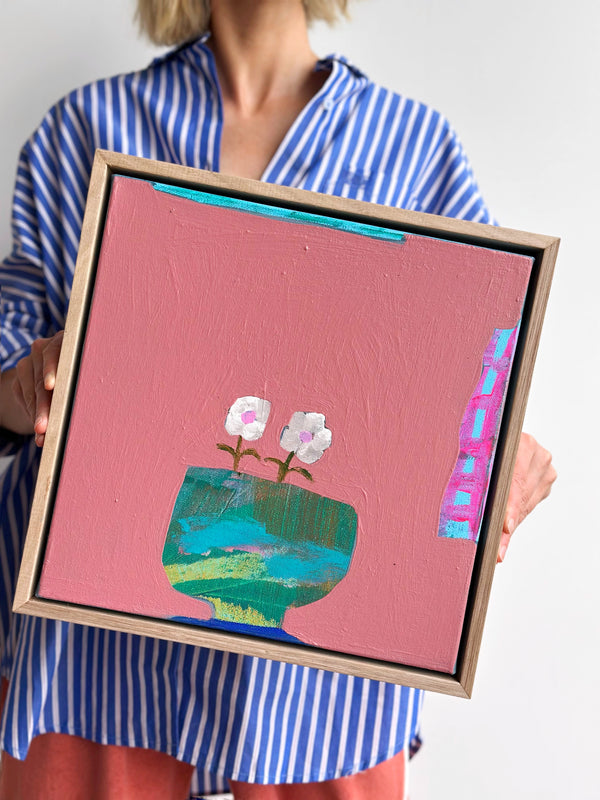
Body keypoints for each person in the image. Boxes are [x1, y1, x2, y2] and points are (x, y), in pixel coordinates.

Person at [0, 1, 557, 797]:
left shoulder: (414, 147)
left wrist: (502, 454)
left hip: (321, 678)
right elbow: (10, 366)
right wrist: (27, 386)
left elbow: (474, 372)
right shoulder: (83, 128)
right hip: (91, 653)